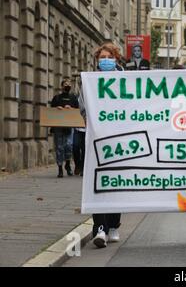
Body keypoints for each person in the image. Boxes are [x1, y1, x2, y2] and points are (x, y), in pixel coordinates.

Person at [79, 42, 124, 248]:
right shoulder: (89, 81)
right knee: (98, 183)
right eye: (102, 58)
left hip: (120, 140)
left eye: (109, 57)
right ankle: (100, 229)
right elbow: (83, 106)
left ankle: (114, 225)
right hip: (97, 139)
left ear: (116, 59)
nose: (105, 61)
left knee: (115, 183)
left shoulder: (127, 80)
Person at [50, 78, 79, 178]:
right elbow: (50, 111)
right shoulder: (57, 98)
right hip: (58, 127)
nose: (68, 86)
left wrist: (71, 109)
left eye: (69, 84)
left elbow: (78, 111)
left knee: (68, 145)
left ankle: (67, 164)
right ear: (62, 86)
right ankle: (60, 168)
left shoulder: (73, 98)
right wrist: (56, 109)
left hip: (70, 126)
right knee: (59, 147)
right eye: (66, 84)